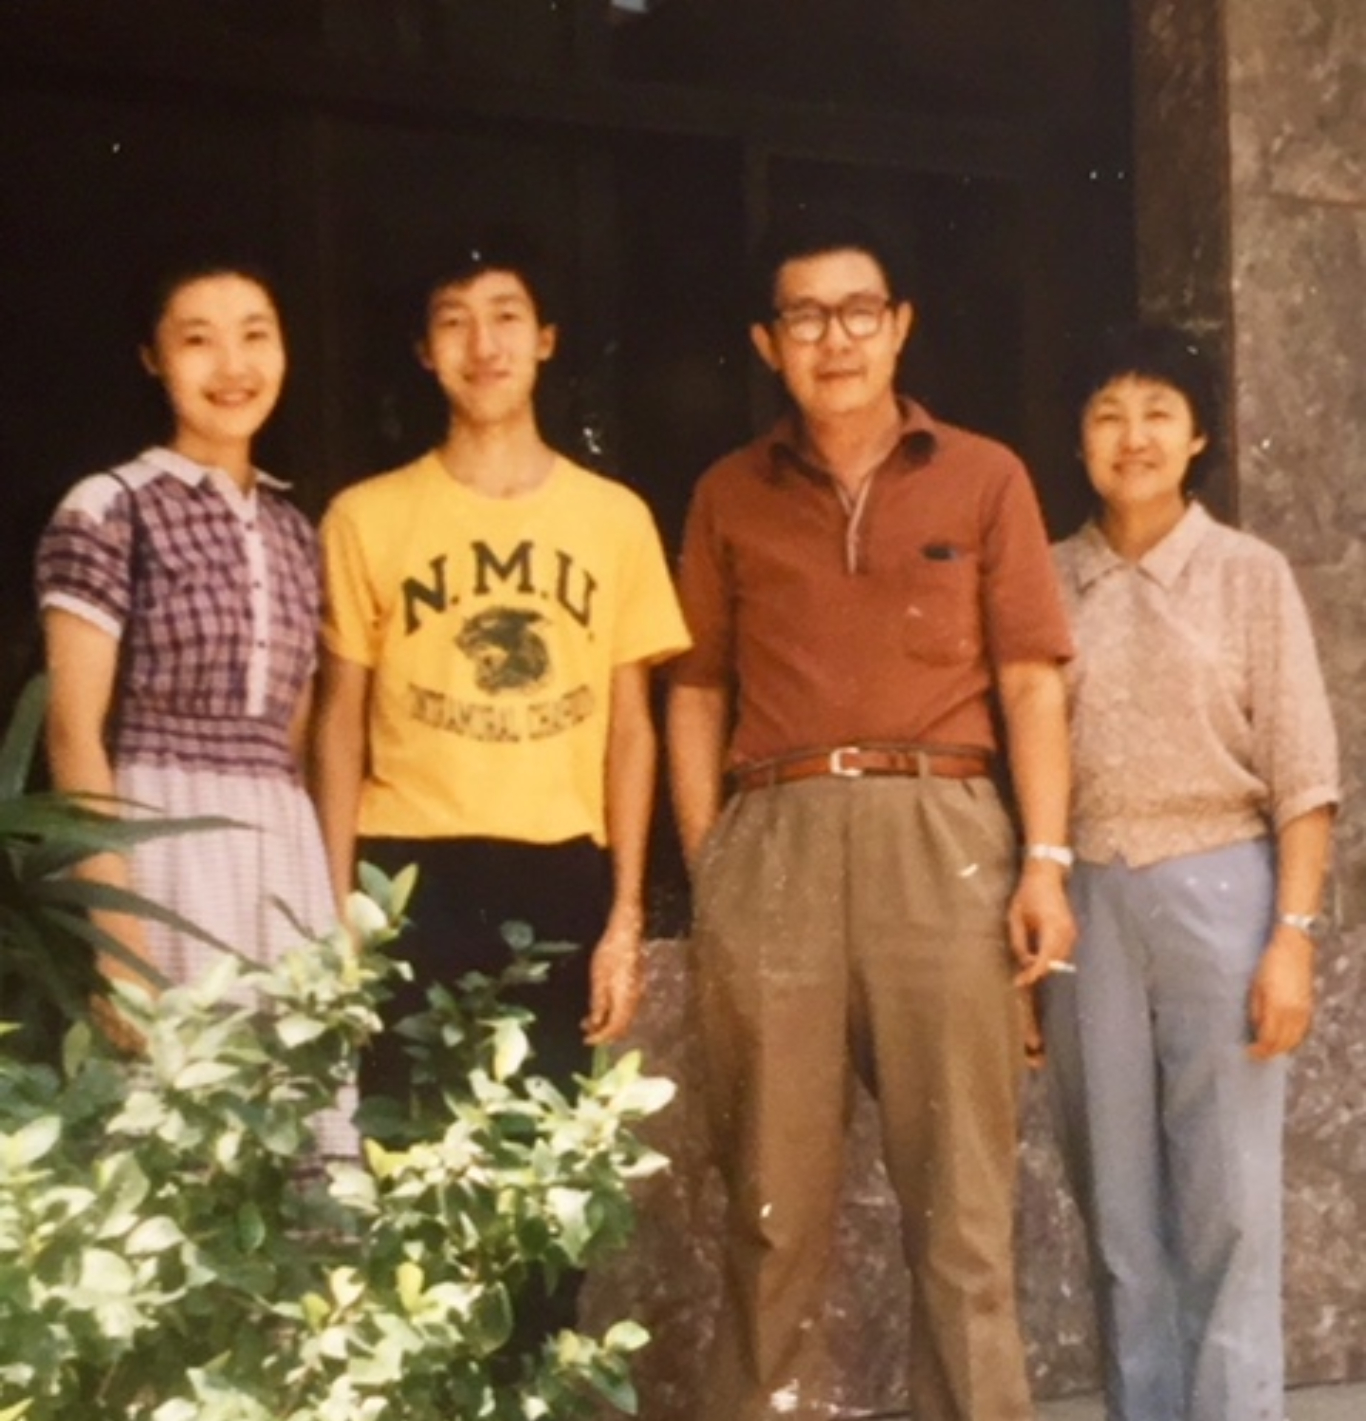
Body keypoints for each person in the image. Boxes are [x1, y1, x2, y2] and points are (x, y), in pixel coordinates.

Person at [667, 209, 1076, 1421]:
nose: (833, 338)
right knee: (767, 1207)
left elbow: (1031, 681)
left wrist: (1042, 861)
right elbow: (693, 685)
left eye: (858, 313)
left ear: (898, 327)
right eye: (804, 316)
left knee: (961, 1210)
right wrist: (715, 859)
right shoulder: (728, 492)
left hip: (941, 834)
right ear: (765, 341)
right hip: (775, 837)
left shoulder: (984, 473)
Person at [312, 230, 690, 1097]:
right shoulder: (364, 518)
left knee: (538, 1152)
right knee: (403, 1152)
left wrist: (625, 915)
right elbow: (338, 720)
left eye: (506, 317)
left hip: (558, 866)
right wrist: (337, 902)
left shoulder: (615, 518)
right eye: (454, 322)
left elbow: (631, 728)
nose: (483, 347)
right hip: (407, 866)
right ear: (423, 349)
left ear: (546, 338)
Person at [1042, 324, 1339, 1421]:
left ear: (1198, 433)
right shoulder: (1043, 578)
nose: (1133, 435)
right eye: (1107, 412)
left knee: (1229, 1204)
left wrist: (1291, 936)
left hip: (1222, 886)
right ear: (1078, 440)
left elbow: (1304, 773)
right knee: (1117, 1207)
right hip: (1085, 900)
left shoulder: (1247, 575)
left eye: (1157, 410)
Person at [36, 253, 338, 1005]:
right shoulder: (109, 509)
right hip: (156, 841)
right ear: (153, 358)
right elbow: (72, 733)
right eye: (199, 340)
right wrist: (118, 939)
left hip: (281, 852)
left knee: (290, 1101)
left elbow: (290, 742)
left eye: (255, 335)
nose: (233, 366)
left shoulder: (296, 531)